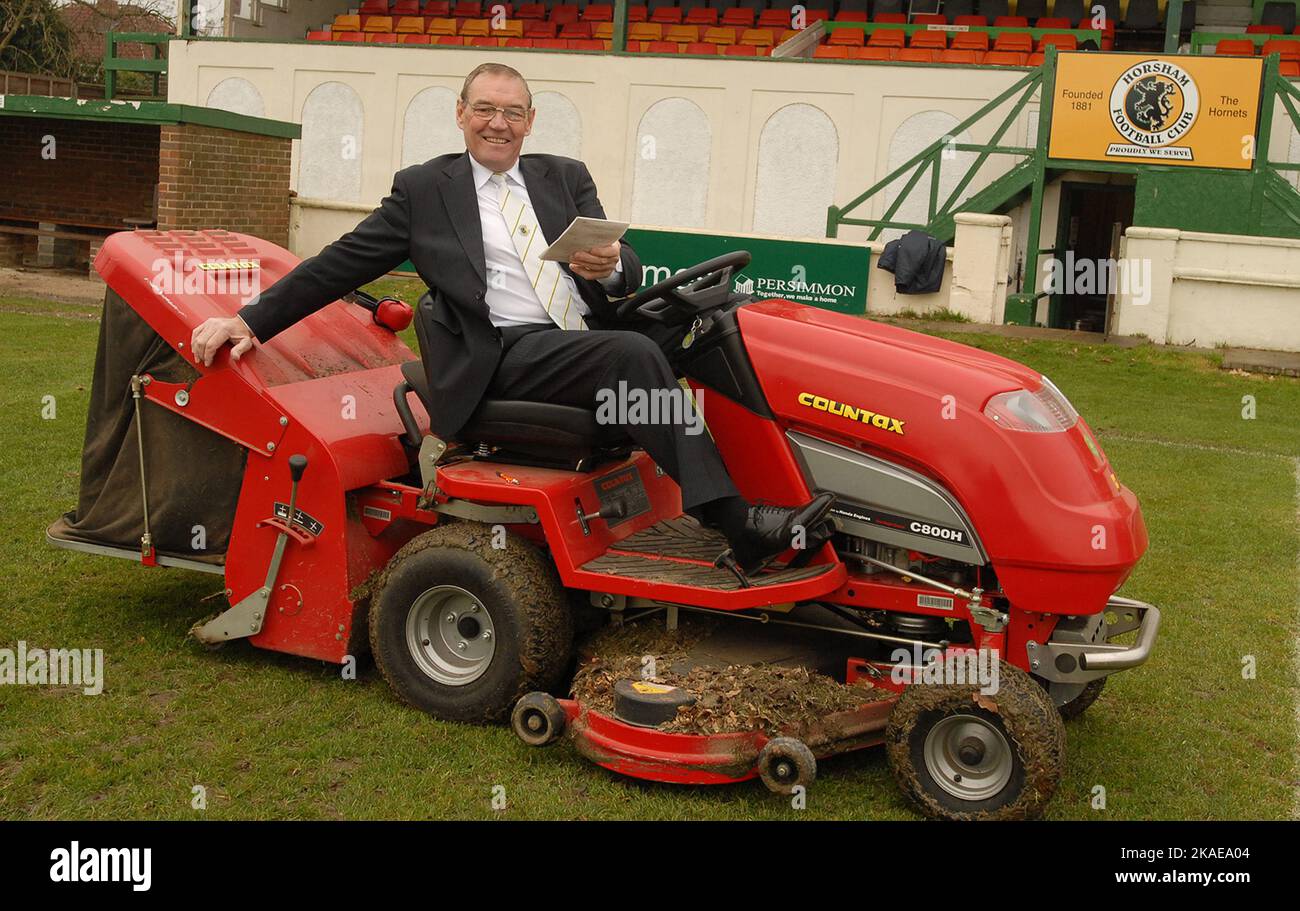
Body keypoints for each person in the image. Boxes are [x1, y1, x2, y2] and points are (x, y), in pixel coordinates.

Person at [190, 62, 832, 573]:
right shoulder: (424, 191)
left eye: (513, 112)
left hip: (576, 338)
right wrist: (250, 321)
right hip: (497, 356)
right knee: (630, 357)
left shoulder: (564, 177)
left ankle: (797, 480)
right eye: (486, 110)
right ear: (462, 115)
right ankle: (736, 523)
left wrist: (608, 268)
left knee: (715, 327)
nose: (499, 123)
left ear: (531, 122)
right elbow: (339, 264)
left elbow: (623, 263)